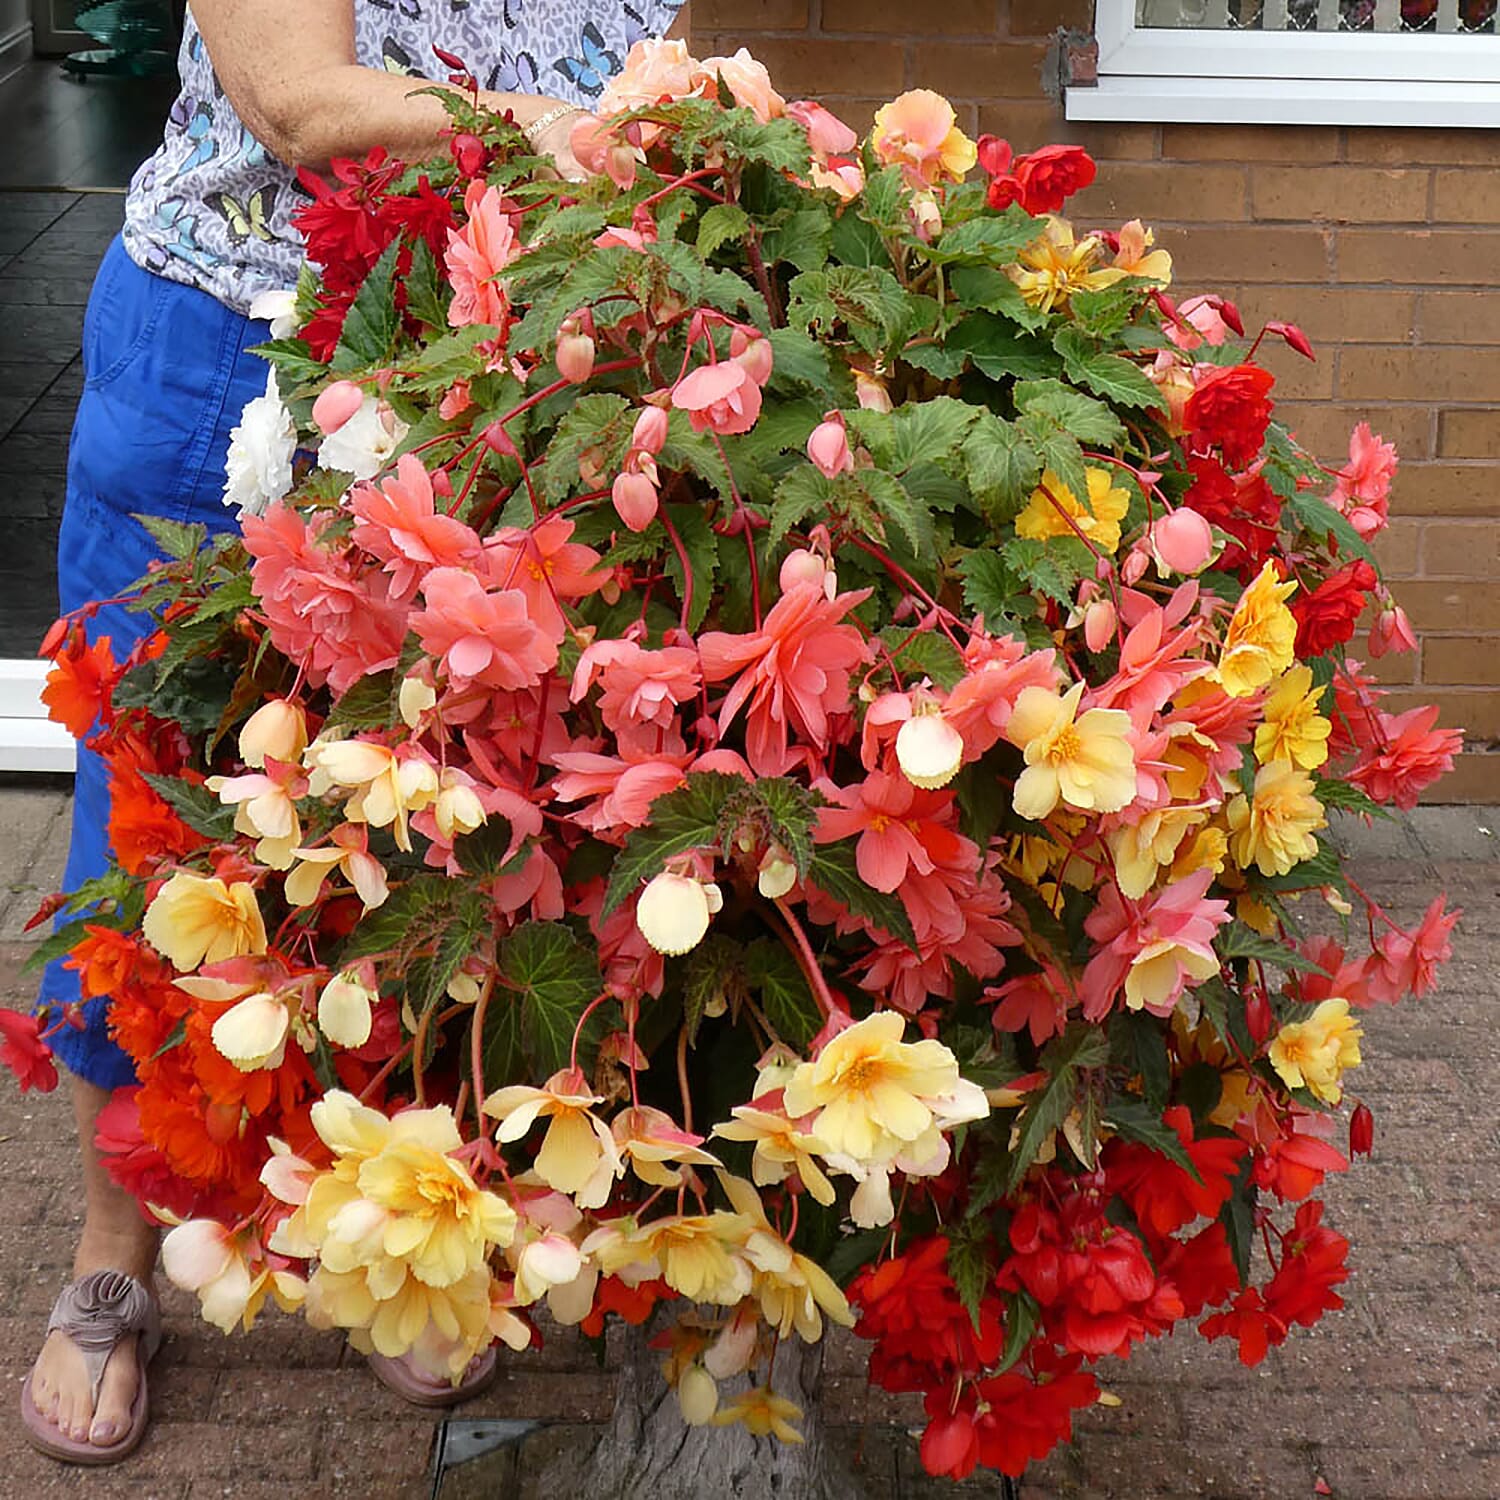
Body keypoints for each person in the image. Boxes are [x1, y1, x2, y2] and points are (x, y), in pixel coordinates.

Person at [22, 0, 684, 1465]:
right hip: (234, 349)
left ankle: (388, 1229)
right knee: (158, 819)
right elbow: (297, 103)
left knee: (430, 807)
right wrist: (562, 132)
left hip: (488, 362)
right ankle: (113, 1253)